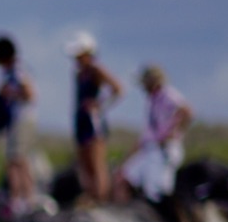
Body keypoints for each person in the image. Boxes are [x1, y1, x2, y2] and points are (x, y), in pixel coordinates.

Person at [115, 65, 194, 203]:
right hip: (151, 149)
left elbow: (187, 111)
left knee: (156, 193)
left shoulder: (167, 94)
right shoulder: (152, 99)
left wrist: (172, 134)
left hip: (163, 149)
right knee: (125, 178)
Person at [65, 31, 123, 205]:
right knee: (84, 162)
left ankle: (102, 198)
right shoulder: (78, 73)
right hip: (81, 119)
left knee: (97, 162)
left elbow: (118, 88)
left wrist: (100, 104)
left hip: (93, 120)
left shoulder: (96, 69)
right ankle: (91, 196)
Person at [0, 34, 38, 216]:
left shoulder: (18, 70)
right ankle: (23, 198)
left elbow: (31, 95)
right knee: (16, 159)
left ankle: (22, 199)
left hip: (21, 119)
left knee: (16, 160)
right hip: (16, 121)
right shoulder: (9, 72)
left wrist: (9, 93)